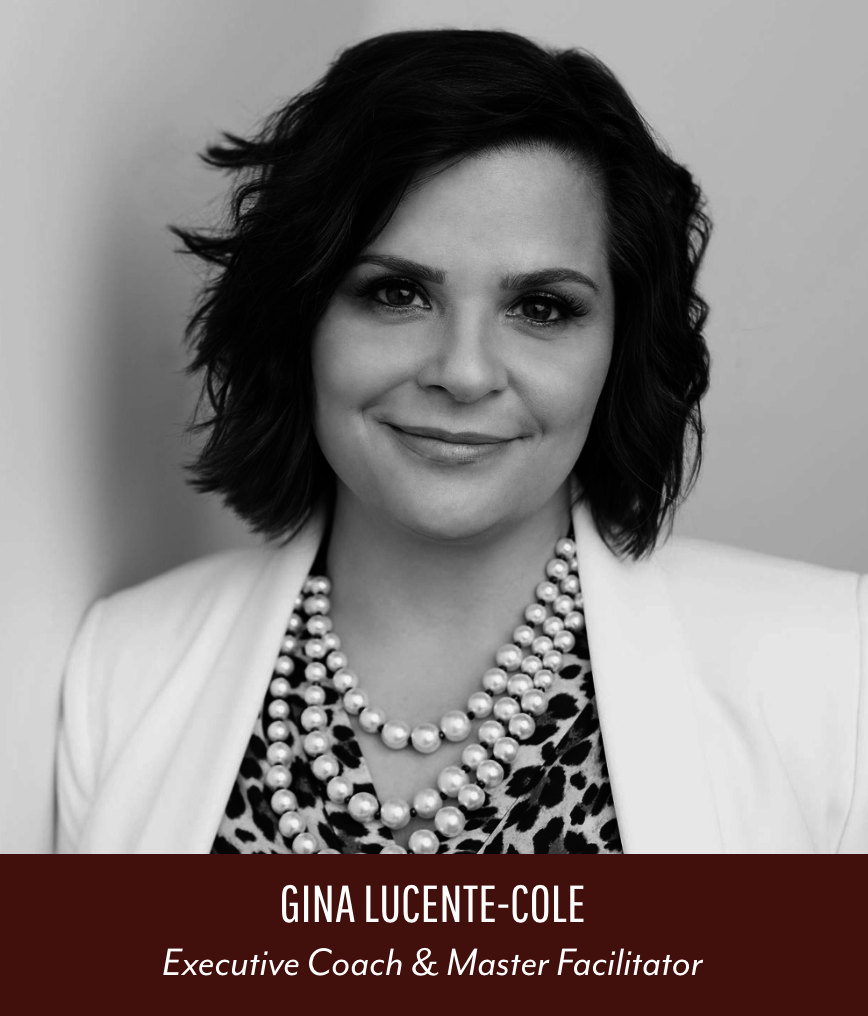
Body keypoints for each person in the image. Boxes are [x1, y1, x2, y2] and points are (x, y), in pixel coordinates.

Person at [56, 28, 867, 854]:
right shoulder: (120, 672)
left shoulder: (832, 672)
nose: (465, 372)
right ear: (299, 318)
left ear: (620, 349)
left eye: (542, 307)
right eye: (397, 293)